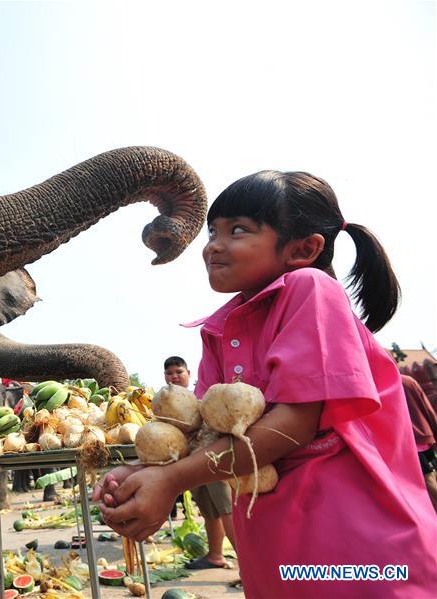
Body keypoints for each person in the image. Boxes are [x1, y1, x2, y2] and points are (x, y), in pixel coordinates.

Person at [94, 170, 437, 597]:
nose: (214, 245)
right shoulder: (220, 329)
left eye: (238, 230)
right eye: (212, 231)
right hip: (275, 551)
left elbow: (294, 424)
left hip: (359, 551)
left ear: (303, 249)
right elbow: (201, 438)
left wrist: (170, 482)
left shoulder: (310, 289)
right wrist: (140, 474)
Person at [163, 356, 237, 569]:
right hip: (191, 463)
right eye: (170, 373)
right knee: (209, 512)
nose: (174, 376)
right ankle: (215, 556)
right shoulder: (165, 401)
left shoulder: (202, 393)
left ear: (189, 374)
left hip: (214, 459)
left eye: (179, 372)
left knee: (226, 510)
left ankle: (249, 567)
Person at [401, 374, 437, 511]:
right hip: (425, 437)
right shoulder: (408, 381)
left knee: (429, 480)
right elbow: (428, 409)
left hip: (409, 444)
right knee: (431, 476)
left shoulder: (379, 383)